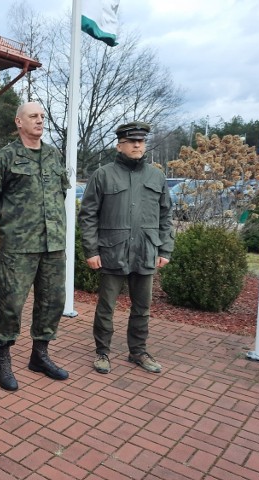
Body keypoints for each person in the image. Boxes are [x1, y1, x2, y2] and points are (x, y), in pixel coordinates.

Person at [0, 101, 70, 392]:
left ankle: (40, 355)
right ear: (19, 122)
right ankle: (3, 360)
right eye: (33, 116)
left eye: (42, 116)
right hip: (19, 245)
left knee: (53, 301)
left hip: (53, 244)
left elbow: (60, 194)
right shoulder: (4, 158)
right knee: (10, 303)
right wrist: (14, 221)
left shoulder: (54, 155)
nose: (40, 121)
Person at [78, 121, 174, 374]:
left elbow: (166, 215)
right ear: (119, 145)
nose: (137, 145)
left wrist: (165, 249)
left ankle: (138, 351)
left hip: (145, 251)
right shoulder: (103, 175)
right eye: (131, 141)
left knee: (142, 308)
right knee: (106, 307)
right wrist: (91, 250)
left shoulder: (156, 176)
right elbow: (88, 215)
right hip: (112, 251)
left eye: (141, 141)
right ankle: (102, 352)